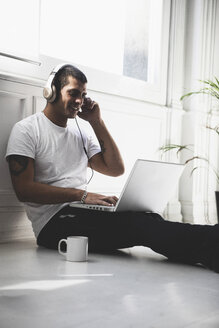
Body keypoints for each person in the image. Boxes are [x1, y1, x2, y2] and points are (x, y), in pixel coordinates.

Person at [5, 64, 219, 273]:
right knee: (138, 225)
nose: (79, 101)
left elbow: (115, 169)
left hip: (79, 210)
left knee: (148, 218)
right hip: (52, 226)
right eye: (73, 93)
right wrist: (82, 196)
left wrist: (97, 121)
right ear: (51, 92)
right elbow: (25, 190)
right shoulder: (26, 130)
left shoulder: (81, 133)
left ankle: (209, 250)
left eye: (83, 94)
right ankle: (213, 245)